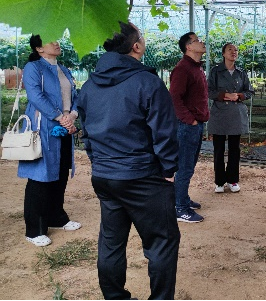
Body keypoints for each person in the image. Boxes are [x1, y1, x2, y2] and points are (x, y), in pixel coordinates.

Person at [77, 22, 180, 300]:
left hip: (105, 175)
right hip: (142, 177)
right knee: (161, 242)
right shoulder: (148, 82)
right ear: (136, 46)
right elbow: (165, 132)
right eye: (142, 37)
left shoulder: (89, 85)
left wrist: (99, 162)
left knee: (111, 242)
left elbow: (86, 132)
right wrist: (168, 168)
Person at [19, 35, 81, 247]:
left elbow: (74, 96)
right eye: (49, 41)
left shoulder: (63, 68)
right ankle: (34, 229)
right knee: (40, 176)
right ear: (39, 48)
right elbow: (36, 96)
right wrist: (60, 117)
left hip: (63, 126)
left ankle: (56, 217)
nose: (56, 43)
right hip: (43, 126)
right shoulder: (33, 67)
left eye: (56, 39)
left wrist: (72, 116)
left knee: (60, 172)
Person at [169, 32, 209, 223]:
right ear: (189, 47)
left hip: (195, 124)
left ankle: (181, 198)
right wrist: (189, 120)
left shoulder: (196, 67)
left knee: (188, 166)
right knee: (185, 167)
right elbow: (174, 98)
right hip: (187, 125)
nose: (202, 42)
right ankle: (180, 208)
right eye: (197, 40)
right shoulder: (183, 69)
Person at [207, 43, 254, 193]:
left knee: (235, 149)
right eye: (230, 50)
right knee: (218, 149)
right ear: (223, 53)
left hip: (236, 114)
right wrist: (224, 95)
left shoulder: (241, 72)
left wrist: (239, 96)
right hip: (220, 113)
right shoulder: (215, 71)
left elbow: (249, 91)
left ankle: (232, 180)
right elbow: (208, 91)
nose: (233, 52)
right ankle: (219, 182)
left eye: (236, 50)